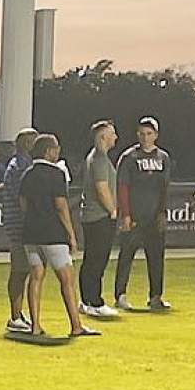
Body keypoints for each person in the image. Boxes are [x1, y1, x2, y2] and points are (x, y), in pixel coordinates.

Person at [15, 135, 94, 340]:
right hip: (53, 234)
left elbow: (23, 203)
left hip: (31, 233)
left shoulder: (27, 174)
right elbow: (61, 206)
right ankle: (76, 325)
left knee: (35, 277)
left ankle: (35, 326)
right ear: (48, 151)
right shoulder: (56, 173)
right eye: (56, 148)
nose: (58, 152)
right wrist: (71, 234)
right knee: (67, 279)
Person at [114, 118, 172, 311]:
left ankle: (156, 296)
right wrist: (126, 214)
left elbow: (164, 187)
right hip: (135, 216)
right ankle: (120, 294)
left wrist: (163, 212)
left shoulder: (163, 158)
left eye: (149, 134)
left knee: (156, 257)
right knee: (126, 256)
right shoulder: (129, 157)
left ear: (156, 135)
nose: (145, 138)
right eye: (141, 134)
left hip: (154, 217)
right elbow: (123, 186)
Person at [77, 121, 121, 318]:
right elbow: (102, 188)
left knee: (90, 260)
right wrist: (112, 210)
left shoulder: (93, 157)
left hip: (91, 216)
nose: (116, 137)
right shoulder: (100, 159)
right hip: (99, 217)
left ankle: (86, 300)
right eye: (112, 134)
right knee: (97, 260)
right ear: (103, 137)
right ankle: (95, 301)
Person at [1, 128, 38, 332]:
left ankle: (18, 314)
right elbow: (23, 197)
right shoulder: (20, 166)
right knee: (20, 270)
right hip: (20, 225)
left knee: (23, 270)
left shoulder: (17, 164)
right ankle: (15, 316)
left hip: (17, 223)